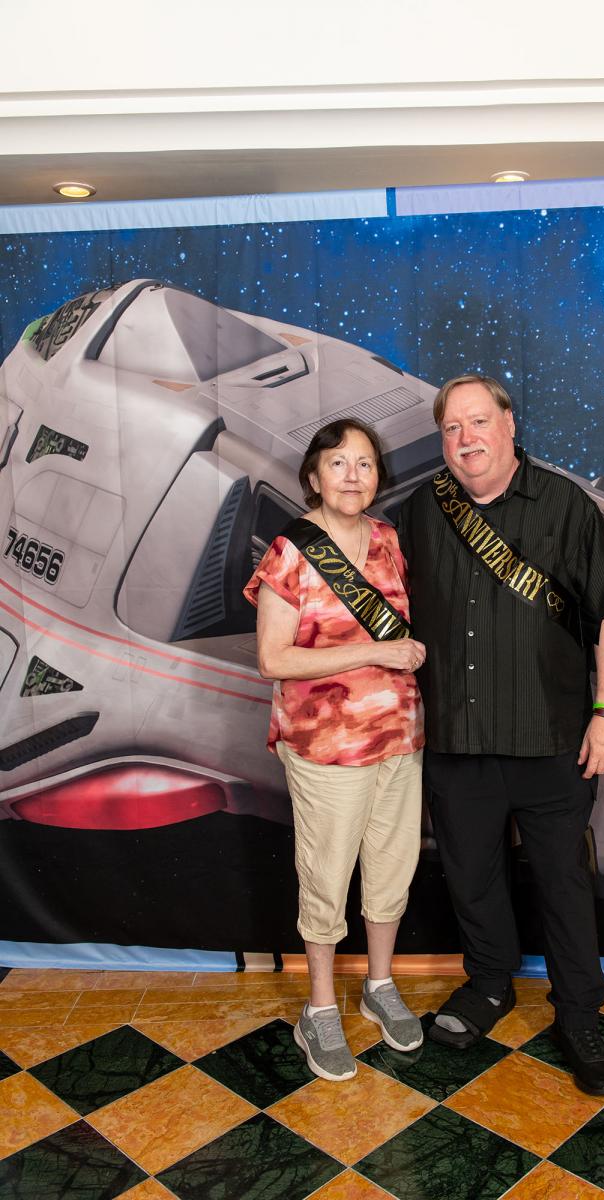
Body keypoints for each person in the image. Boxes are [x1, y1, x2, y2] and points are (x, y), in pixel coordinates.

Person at [396, 374, 604, 1095]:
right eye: (451, 428)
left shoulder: (566, 505)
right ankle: (489, 986)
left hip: (552, 738)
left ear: (508, 423)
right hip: (457, 740)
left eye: (478, 422)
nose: (465, 439)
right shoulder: (421, 509)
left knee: (563, 884)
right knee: (472, 878)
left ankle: (579, 1015)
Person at [244, 417, 426, 1082]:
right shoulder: (290, 551)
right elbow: (272, 659)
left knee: (391, 870)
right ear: (314, 477)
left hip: (399, 739)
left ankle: (379, 985)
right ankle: (319, 1009)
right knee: (326, 877)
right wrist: (376, 651)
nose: (354, 476)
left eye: (365, 463)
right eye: (339, 463)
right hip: (326, 747)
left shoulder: (388, 540)